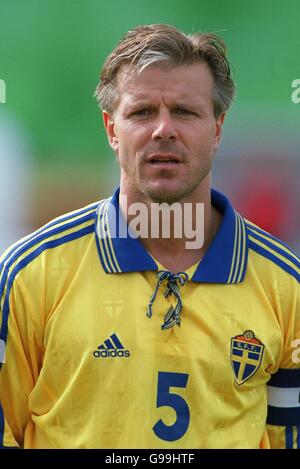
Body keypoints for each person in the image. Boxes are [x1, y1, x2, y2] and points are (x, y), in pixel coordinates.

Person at [0, 24, 299, 450]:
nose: (164, 129)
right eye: (142, 112)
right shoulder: (30, 275)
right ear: (111, 129)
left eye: (184, 111)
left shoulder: (286, 286)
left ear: (217, 129)